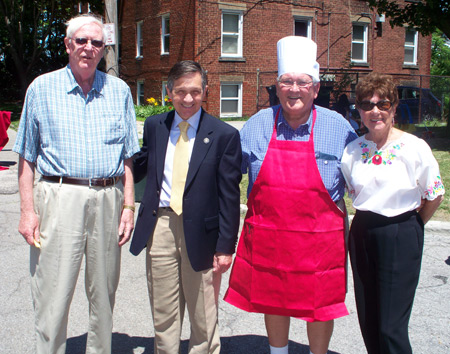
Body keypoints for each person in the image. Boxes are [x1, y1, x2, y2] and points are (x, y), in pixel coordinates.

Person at [13, 14, 140, 354]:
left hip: (108, 197)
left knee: (104, 293)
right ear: (68, 44)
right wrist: (28, 212)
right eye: (81, 41)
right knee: (53, 291)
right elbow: (26, 157)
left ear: (103, 49)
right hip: (58, 196)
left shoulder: (119, 91)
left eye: (96, 42)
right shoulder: (41, 88)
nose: (88, 48)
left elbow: (128, 157)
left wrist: (128, 206)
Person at [224, 36, 358, 354]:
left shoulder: (339, 128)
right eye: (287, 82)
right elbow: (225, 177)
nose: (294, 89)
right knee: (274, 294)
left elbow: (366, 178)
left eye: (302, 82)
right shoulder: (256, 126)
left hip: (321, 240)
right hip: (271, 237)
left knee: (322, 303)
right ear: (277, 86)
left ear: (315, 88)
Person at [130, 60, 242, 353]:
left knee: (202, 311)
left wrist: (225, 246)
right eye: (181, 91)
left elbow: (229, 196)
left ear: (206, 91)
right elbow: (142, 164)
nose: (188, 99)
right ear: (169, 92)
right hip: (161, 226)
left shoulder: (224, 135)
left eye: (195, 91)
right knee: (163, 309)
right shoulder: (156, 126)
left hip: (203, 232)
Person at [341, 73, 444, 354]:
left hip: (401, 231)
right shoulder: (352, 151)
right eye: (367, 105)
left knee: (391, 325)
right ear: (359, 111)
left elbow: (434, 195)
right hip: (362, 231)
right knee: (369, 317)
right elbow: (352, 192)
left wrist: (412, 225)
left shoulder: (414, 148)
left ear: (394, 108)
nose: (375, 111)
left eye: (382, 104)